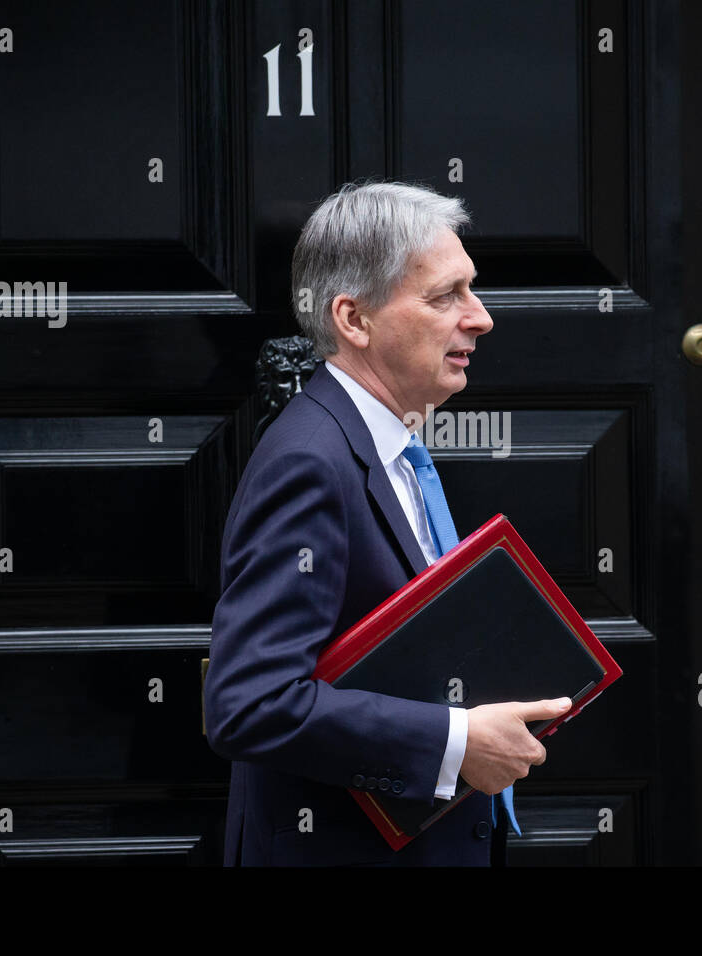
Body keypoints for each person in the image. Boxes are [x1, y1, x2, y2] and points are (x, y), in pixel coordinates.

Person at [204, 180, 570, 865]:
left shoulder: (390, 446)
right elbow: (248, 704)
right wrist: (457, 743)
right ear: (354, 319)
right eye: (445, 296)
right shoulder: (309, 462)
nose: (481, 317)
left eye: (473, 289)